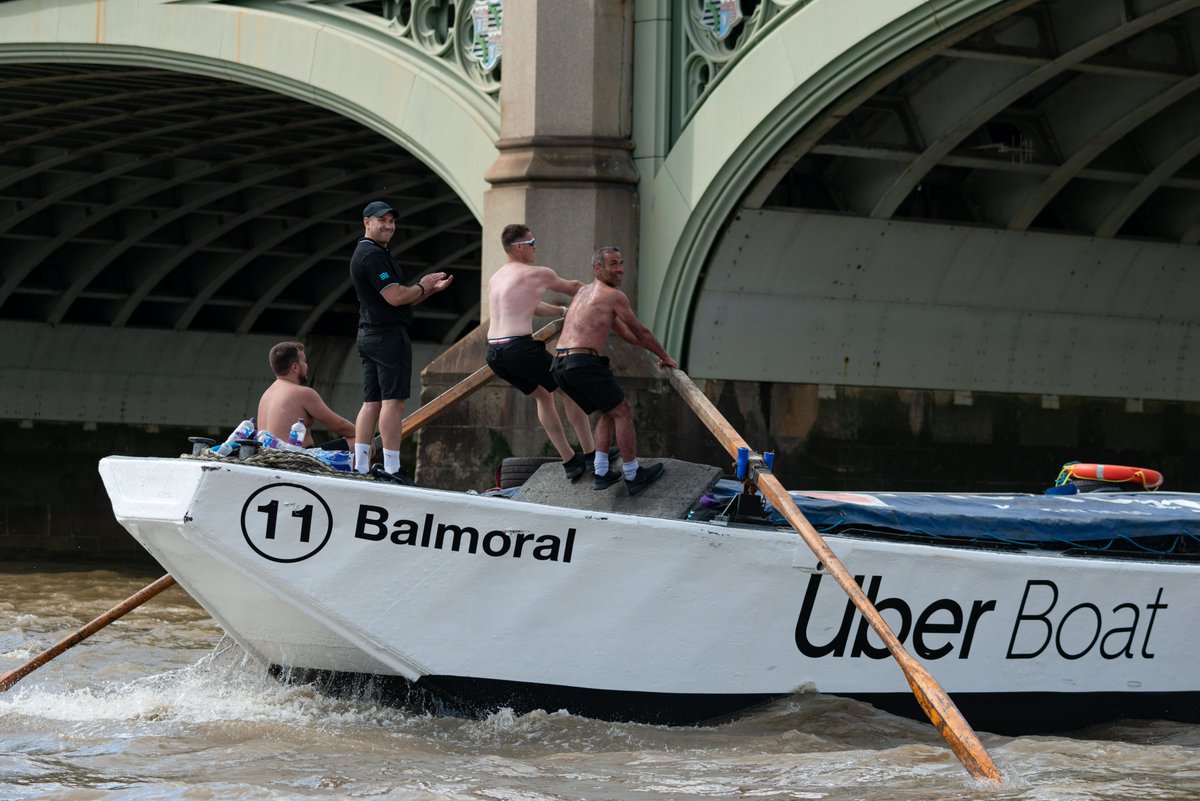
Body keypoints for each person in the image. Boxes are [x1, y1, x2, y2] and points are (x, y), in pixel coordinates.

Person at [550, 246, 677, 496]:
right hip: (581, 363)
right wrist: (665, 356)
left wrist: (656, 354)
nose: (620, 270)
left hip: (560, 365)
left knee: (609, 411)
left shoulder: (583, 292)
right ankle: (633, 474)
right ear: (598, 268)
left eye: (621, 263)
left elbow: (629, 336)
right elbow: (641, 332)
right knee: (623, 412)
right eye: (613, 264)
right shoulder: (613, 295)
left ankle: (601, 471)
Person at [350, 200, 453, 484]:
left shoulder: (373, 252)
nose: (388, 225)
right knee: (392, 402)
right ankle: (392, 468)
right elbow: (395, 296)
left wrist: (429, 290)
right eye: (382, 220)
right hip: (386, 337)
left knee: (371, 401)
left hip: (369, 332)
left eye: (392, 221)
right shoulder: (372, 256)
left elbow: (401, 300)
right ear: (367, 222)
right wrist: (423, 283)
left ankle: (359, 467)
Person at [486, 224, 598, 479]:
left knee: (543, 397)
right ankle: (591, 455)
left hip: (494, 353)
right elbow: (573, 287)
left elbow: (531, 306)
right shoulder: (538, 273)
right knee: (569, 389)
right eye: (532, 243)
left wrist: (562, 312)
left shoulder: (496, 278)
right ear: (519, 247)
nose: (536, 248)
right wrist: (603, 292)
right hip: (518, 347)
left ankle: (570, 461)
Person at [256, 340, 357, 448]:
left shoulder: (266, 395)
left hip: (267, 457)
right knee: (358, 442)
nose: (306, 366)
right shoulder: (302, 393)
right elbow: (340, 427)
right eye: (304, 361)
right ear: (295, 367)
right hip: (294, 460)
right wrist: (365, 437)